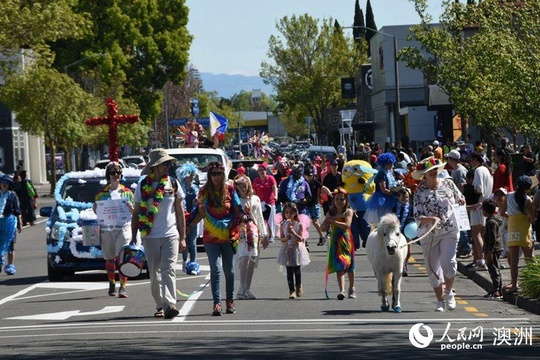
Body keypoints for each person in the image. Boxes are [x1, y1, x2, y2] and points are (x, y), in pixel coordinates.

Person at [131, 148, 187, 319]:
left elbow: (180, 211)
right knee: (154, 273)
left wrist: (183, 237)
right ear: (154, 166)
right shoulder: (142, 185)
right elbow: (136, 212)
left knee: (168, 270)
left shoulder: (173, 183)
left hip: (171, 234)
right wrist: (133, 237)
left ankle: (170, 304)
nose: (168, 166)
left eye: (169, 163)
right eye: (165, 163)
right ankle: (160, 304)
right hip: (149, 236)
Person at [187, 162, 246, 316]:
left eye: (219, 174)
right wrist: (189, 226)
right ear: (209, 175)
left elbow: (238, 210)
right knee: (216, 269)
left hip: (228, 236)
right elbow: (200, 213)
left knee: (230, 271)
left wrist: (245, 217)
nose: (216, 177)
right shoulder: (204, 192)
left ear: (223, 175)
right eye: (213, 174)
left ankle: (230, 301)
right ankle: (217, 304)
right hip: (211, 237)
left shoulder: (230, 190)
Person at [412, 156, 465, 312]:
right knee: (432, 268)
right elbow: (417, 216)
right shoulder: (419, 192)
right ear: (424, 175)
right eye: (430, 172)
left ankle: (449, 293)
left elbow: (459, 197)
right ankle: (440, 300)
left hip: (449, 229)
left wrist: (461, 200)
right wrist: (429, 219)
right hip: (430, 233)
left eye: (435, 170)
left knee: (448, 262)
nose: (433, 173)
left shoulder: (448, 184)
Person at [94, 162, 134, 297]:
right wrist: (96, 209)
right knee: (110, 259)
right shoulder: (101, 194)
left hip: (123, 227)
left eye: (118, 172)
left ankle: (123, 287)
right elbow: (97, 211)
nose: (116, 175)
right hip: (107, 229)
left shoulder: (128, 193)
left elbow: (136, 211)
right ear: (108, 176)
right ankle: (112, 283)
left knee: (122, 258)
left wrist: (131, 208)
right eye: (113, 173)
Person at [233, 174, 268, 300]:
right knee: (243, 258)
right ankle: (241, 288)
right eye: (240, 186)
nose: (243, 188)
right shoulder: (235, 200)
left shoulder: (255, 199)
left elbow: (259, 217)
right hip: (241, 232)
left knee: (253, 258)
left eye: (245, 185)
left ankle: (247, 288)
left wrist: (264, 234)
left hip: (254, 232)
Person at [499, 176, 535, 293]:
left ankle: (514, 284)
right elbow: (532, 219)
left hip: (513, 227)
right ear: (528, 188)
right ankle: (531, 283)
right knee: (528, 258)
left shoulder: (508, 196)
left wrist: (511, 216)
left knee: (513, 260)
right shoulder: (528, 199)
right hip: (524, 228)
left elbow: (502, 212)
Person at [321, 188, 355, 300]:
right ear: (333, 200)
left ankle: (352, 287)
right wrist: (326, 222)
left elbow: (347, 225)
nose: (339, 201)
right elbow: (323, 227)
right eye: (337, 199)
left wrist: (333, 221)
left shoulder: (348, 212)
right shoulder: (330, 213)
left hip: (346, 241)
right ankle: (342, 290)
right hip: (335, 241)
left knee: (349, 266)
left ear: (346, 201)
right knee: (339, 265)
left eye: (342, 199)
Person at [276, 202, 310, 299]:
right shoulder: (283, 224)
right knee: (289, 270)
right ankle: (291, 290)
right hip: (287, 248)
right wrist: (286, 238)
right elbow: (282, 238)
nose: (288, 215)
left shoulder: (299, 224)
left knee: (297, 269)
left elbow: (300, 238)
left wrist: (293, 232)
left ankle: (299, 285)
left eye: (291, 213)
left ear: (295, 213)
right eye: (286, 213)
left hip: (296, 248)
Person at [468, 152, 493, 271]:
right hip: (486, 203)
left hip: (477, 204)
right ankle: (483, 259)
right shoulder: (487, 170)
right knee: (482, 233)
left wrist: (467, 188)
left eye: (471, 160)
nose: (470, 162)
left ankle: (482, 261)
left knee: (476, 233)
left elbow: (478, 188)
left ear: (475, 159)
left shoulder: (478, 171)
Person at [176, 162, 200, 274]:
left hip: (193, 218)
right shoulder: (180, 188)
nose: (192, 176)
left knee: (193, 242)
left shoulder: (196, 188)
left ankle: (194, 264)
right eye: (190, 174)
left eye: (193, 174)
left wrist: (197, 203)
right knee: (184, 240)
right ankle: (185, 262)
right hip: (183, 218)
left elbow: (200, 202)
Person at [364, 152, 398, 226]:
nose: (392, 165)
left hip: (387, 197)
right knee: (382, 221)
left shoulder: (388, 172)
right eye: (390, 163)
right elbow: (383, 189)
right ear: (385, 164)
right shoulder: (382, 173)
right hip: (381, 199)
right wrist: (395, 193)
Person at [0, 175, 22, 275]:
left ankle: (10, 266)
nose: (4, 185)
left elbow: (17, 210)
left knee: (10, 245)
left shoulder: (12, 195)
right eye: (2, 183)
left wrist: (20, 223)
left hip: (9, 222)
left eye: (6, 184)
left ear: (9, 185)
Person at [481, 199, 503, 299]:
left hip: (493, 249)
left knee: (494, 269)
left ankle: (497, 290)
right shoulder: (492, 220)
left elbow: (492, 238)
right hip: (493, 248)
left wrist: (489, 251)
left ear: (485, 210)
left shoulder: (491, 222)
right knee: (494, 268)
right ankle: (497, 289)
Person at [252, 162, 278, 243]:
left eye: (263, 170)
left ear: (265, 171)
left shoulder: (270, 178)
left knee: (270, 220)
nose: (261, 172)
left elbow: (275, 188)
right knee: (261, 219)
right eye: (259, 170)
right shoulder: (256, 180)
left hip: (270, 202)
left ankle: (271, 236)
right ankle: (263, 235)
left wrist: (276, 196)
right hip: (260, 203)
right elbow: (254, 191)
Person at [303, 166, 326, 246]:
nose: (310, 177)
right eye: (308, 175)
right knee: (306, 222)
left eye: (311, 175)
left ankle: (322, 237)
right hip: (305, 205)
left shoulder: (315, 181)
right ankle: (304, 240)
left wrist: (329, 193)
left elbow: (322, 187)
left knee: (315, 222)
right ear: (305, 175)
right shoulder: (302, 182)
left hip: (314, 204)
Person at [392, 187, 413, 276]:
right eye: (403, 198)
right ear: (398, 198)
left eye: (407, 197)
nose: (405, 200)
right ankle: (400, 267)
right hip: (397, 232)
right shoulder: (395, 208)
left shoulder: (411, 208)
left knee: (408, 252)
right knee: (397, 251)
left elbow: (414, 219)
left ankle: (405, 263)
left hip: (407, 231)